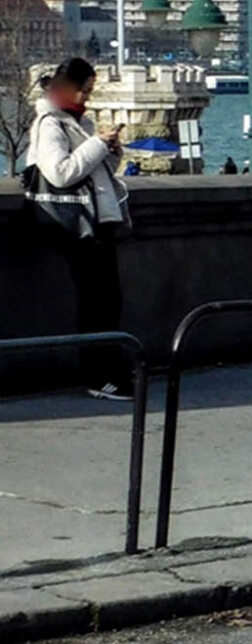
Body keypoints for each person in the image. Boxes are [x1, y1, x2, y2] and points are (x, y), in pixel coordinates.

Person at [27, 57, 134, 398]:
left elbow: (95, 171)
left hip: (96, 224)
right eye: (85, 90)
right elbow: (60, 172)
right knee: (96, 302)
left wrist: (110, 151)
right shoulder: (49, 124)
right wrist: (98, 144)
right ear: (67, 87)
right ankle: (99, 376)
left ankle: (109, 370)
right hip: (76, 227)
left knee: (107, 301)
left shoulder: (78, 122)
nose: (88, 97)